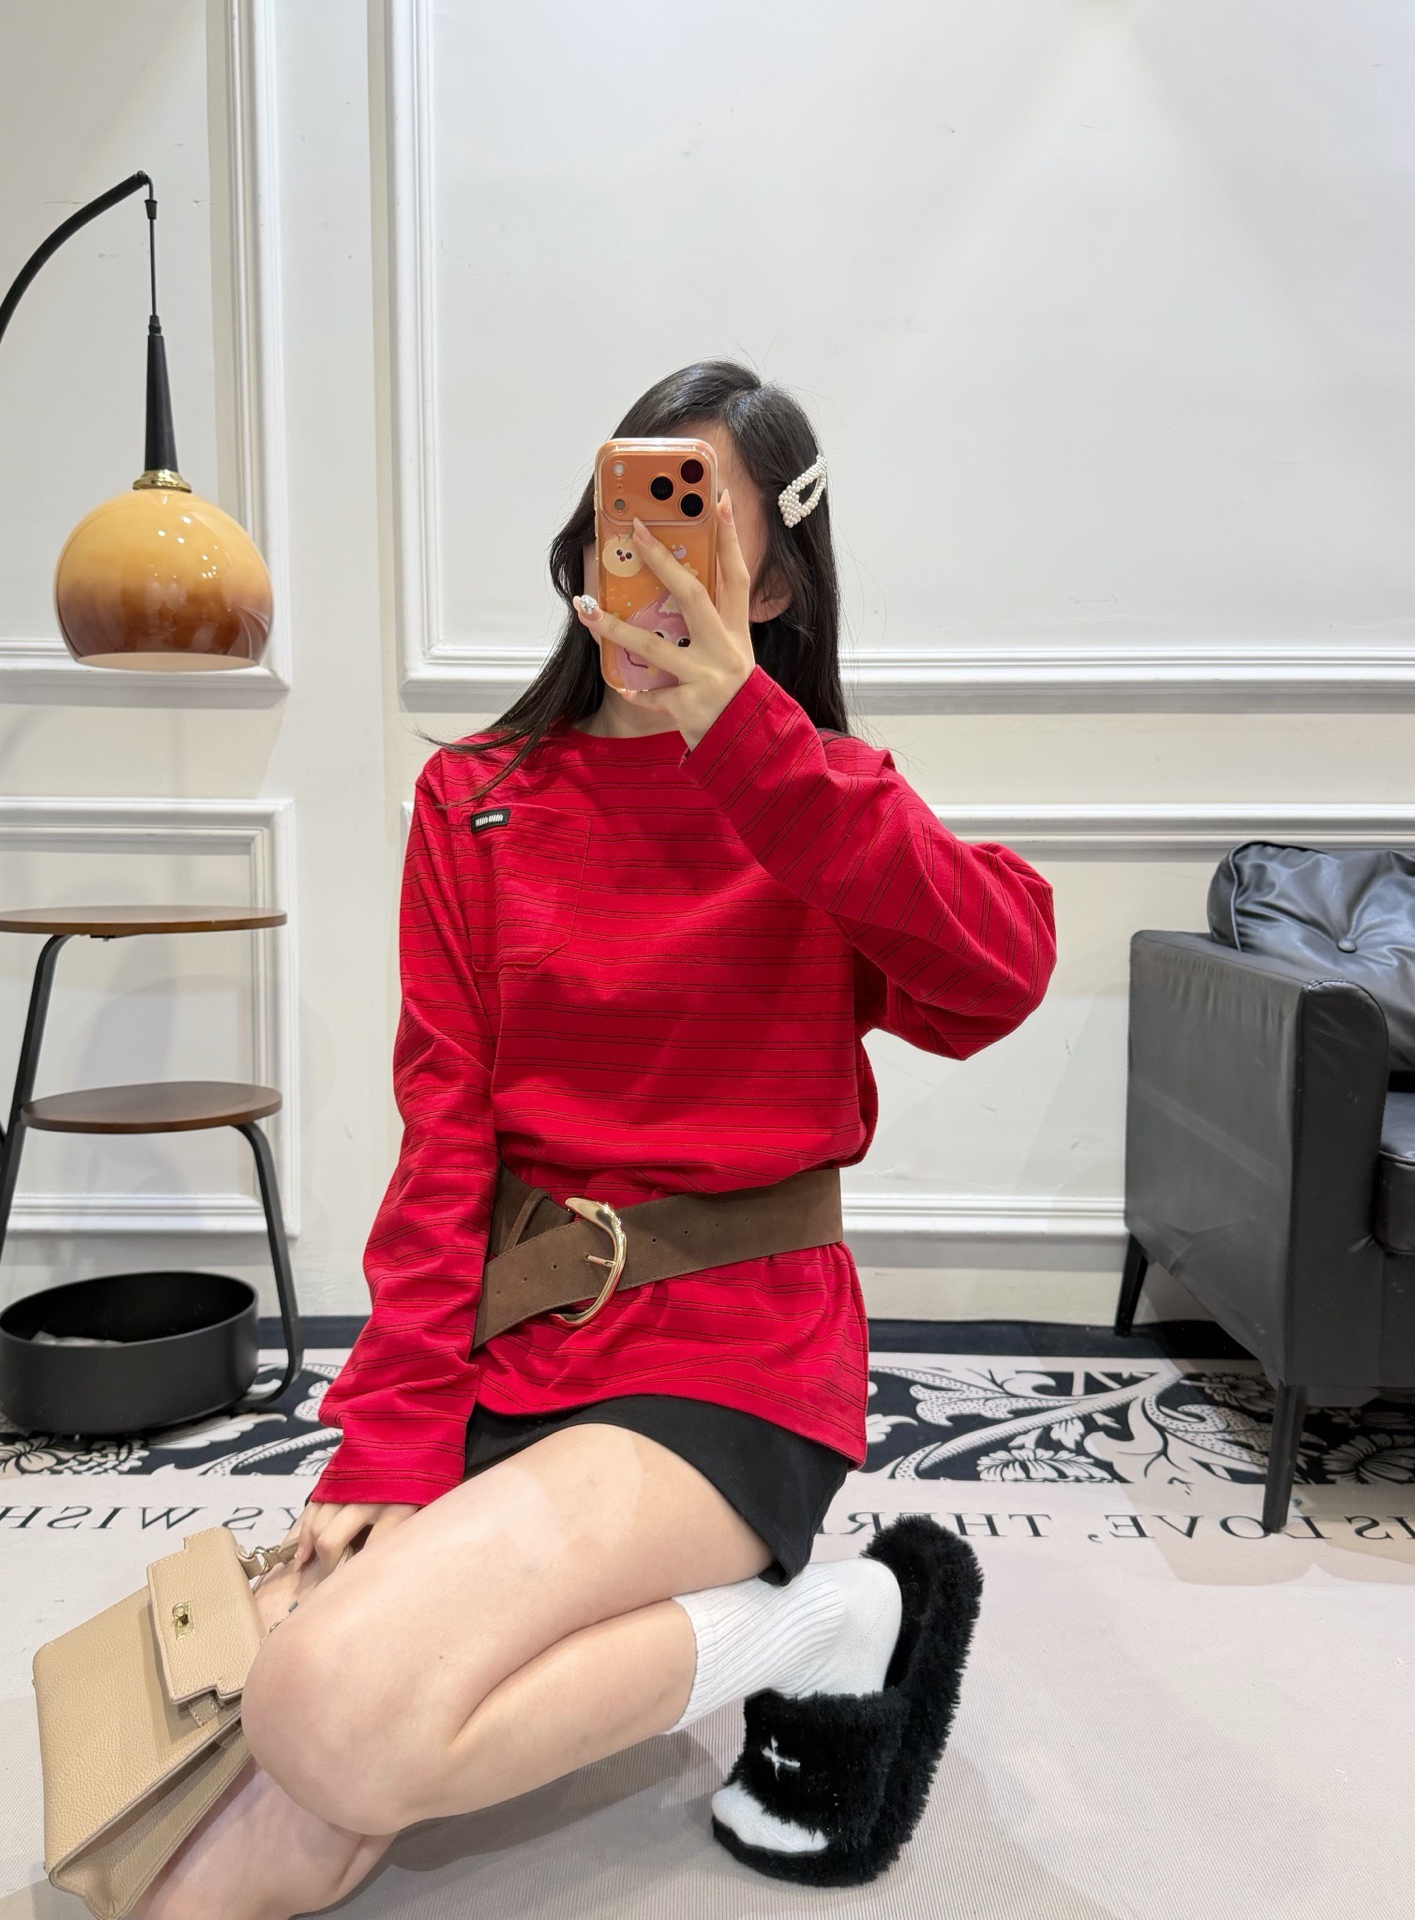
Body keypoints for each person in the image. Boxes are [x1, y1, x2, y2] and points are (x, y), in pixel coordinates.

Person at [131, 361, 1056, 1919]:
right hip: (519, 1338)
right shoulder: (476, 798)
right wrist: (393, 1435)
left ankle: (840, 1622)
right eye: (636, 525)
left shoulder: (818, 805)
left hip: (734, 1349)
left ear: (776, 584)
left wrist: (754, 745)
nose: (657, 573)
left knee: (326, 1710)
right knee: (283, 1799)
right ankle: (767, 1623)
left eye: (702, 536)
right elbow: (443, 1147)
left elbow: (1001, 974)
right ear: (587, 543)